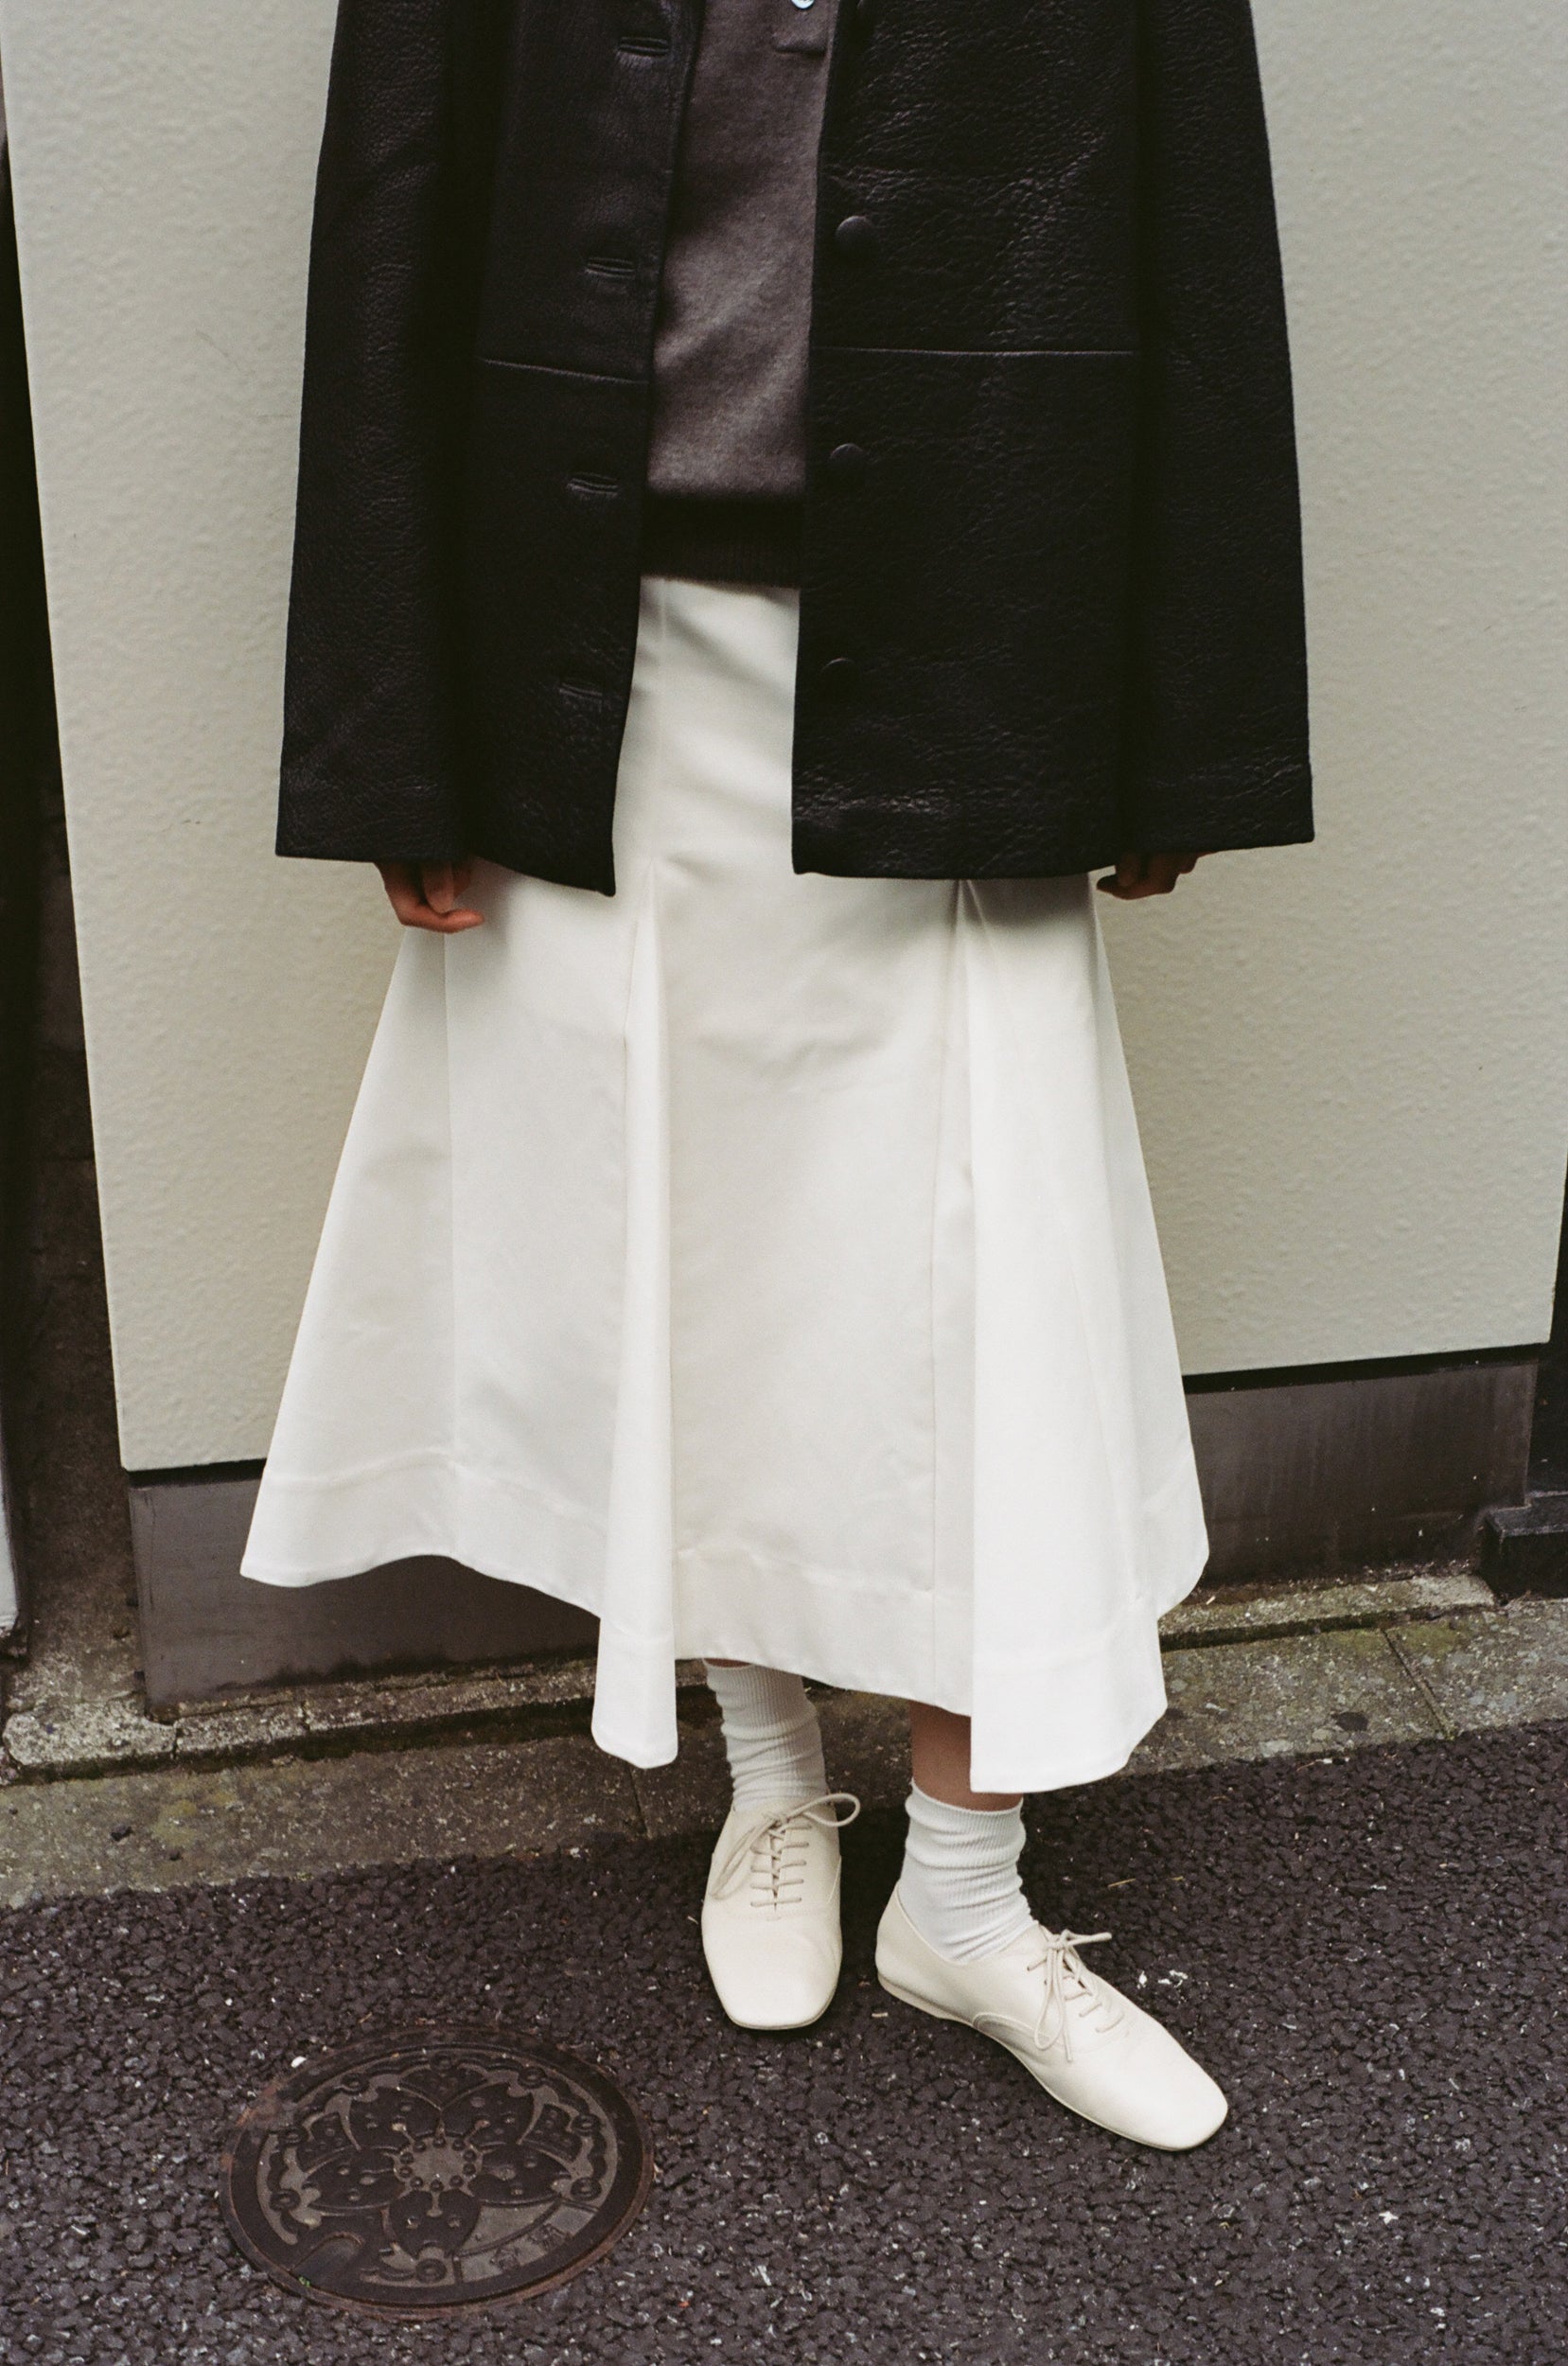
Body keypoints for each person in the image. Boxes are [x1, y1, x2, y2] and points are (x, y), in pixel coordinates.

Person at [242, 0, 1312, 2152]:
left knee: (977, 1291)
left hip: (969, 642)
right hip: (601, 659)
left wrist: (1181, 711)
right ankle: (767, 1775)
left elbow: (1200, 253)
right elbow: (391, 250)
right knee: (683, 1246)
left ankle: (975, 1900)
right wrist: (396, 734)